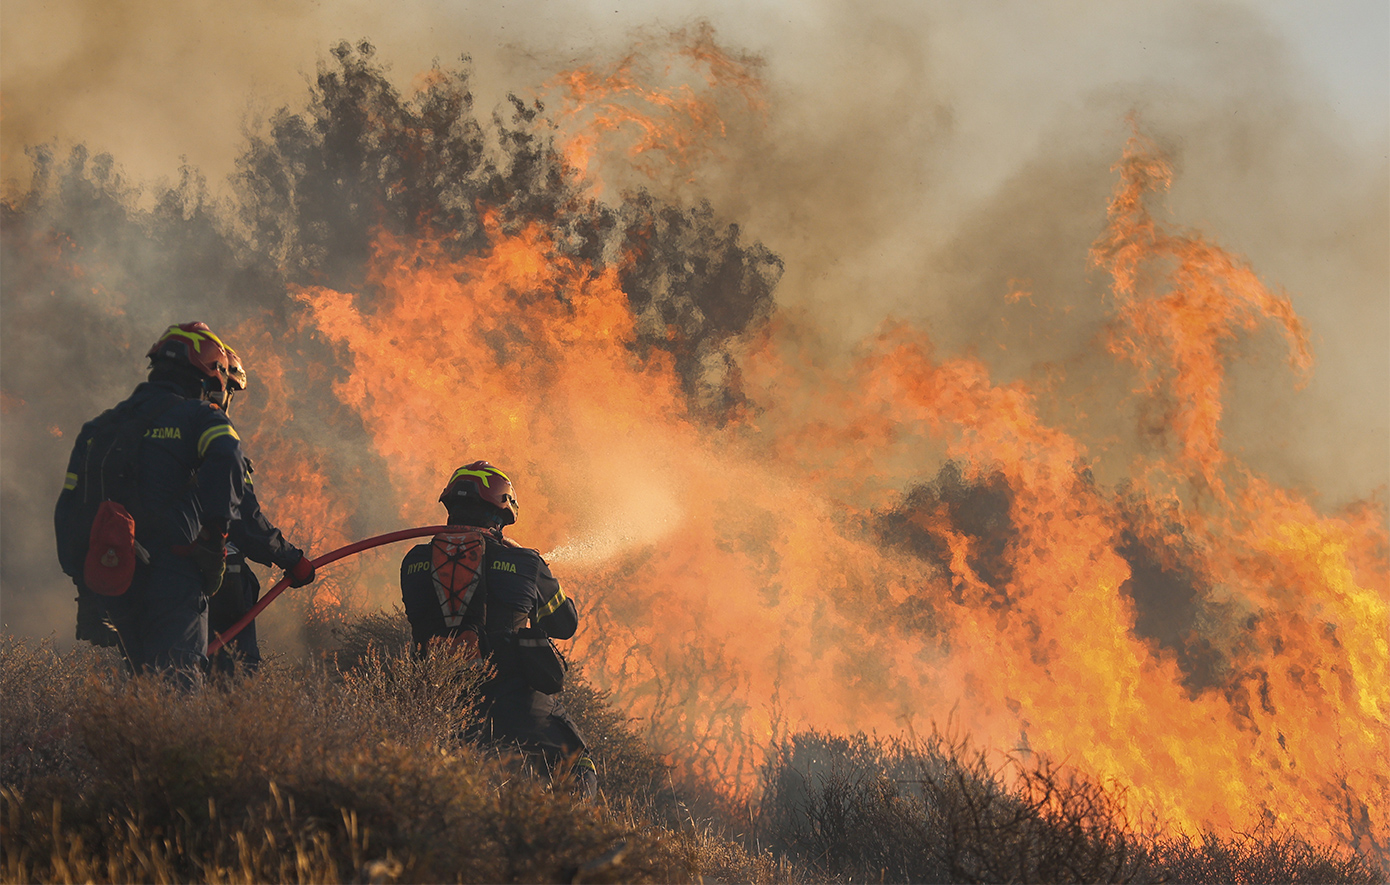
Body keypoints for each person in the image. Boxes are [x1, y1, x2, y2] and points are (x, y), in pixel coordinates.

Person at [55, 322, 246, 685]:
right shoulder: (200, 416)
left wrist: (86, 589)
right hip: (173, 576)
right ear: (208, 373)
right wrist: (214, 536)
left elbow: (68, 511)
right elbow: (229, 457)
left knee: (142, 692)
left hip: (115, 577)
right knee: (175, 689)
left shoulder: (99, 427)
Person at [399, 461, 597, 798]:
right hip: (517, 704)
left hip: (442, 707)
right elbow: (565, 624)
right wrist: (532, 567)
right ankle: (565, 827)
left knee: (452, 790)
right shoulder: (526, 562)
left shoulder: (413, 562)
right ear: (500, 514)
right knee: (577, 764)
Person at [206, 347, 316, 676]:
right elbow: (245, 522)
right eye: (229, 390)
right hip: (215, 576)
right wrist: (293, 560)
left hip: (153, 577)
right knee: (232, 671)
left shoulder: (148, 433)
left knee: (163, 672)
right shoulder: (215, 440)